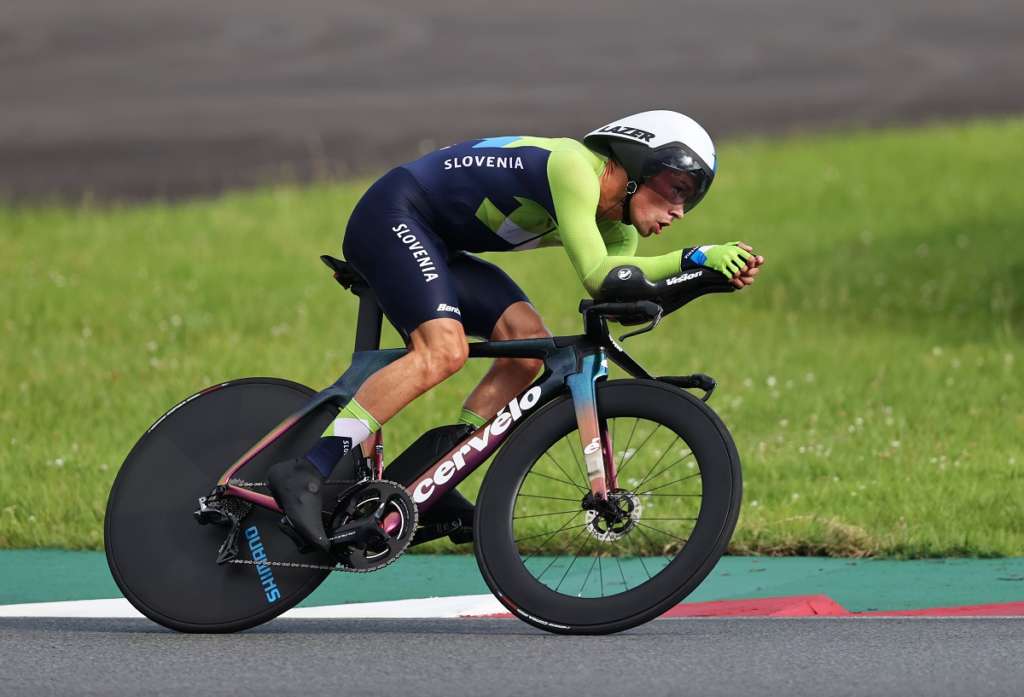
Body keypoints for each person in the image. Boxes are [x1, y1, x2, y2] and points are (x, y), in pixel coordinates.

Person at [267, 110, 765, 550]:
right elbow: (598, 276)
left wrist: (704, 282)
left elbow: (619, 297)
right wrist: (695, 256)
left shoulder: (619, 229)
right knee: (443, 351)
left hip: (437, 242)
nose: (679, 211)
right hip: (393, 215)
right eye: (677, 190)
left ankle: (431, 476)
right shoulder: (575, 166)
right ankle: (307, 470)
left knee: (525, 353)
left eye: (690, 201)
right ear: (638, 164)